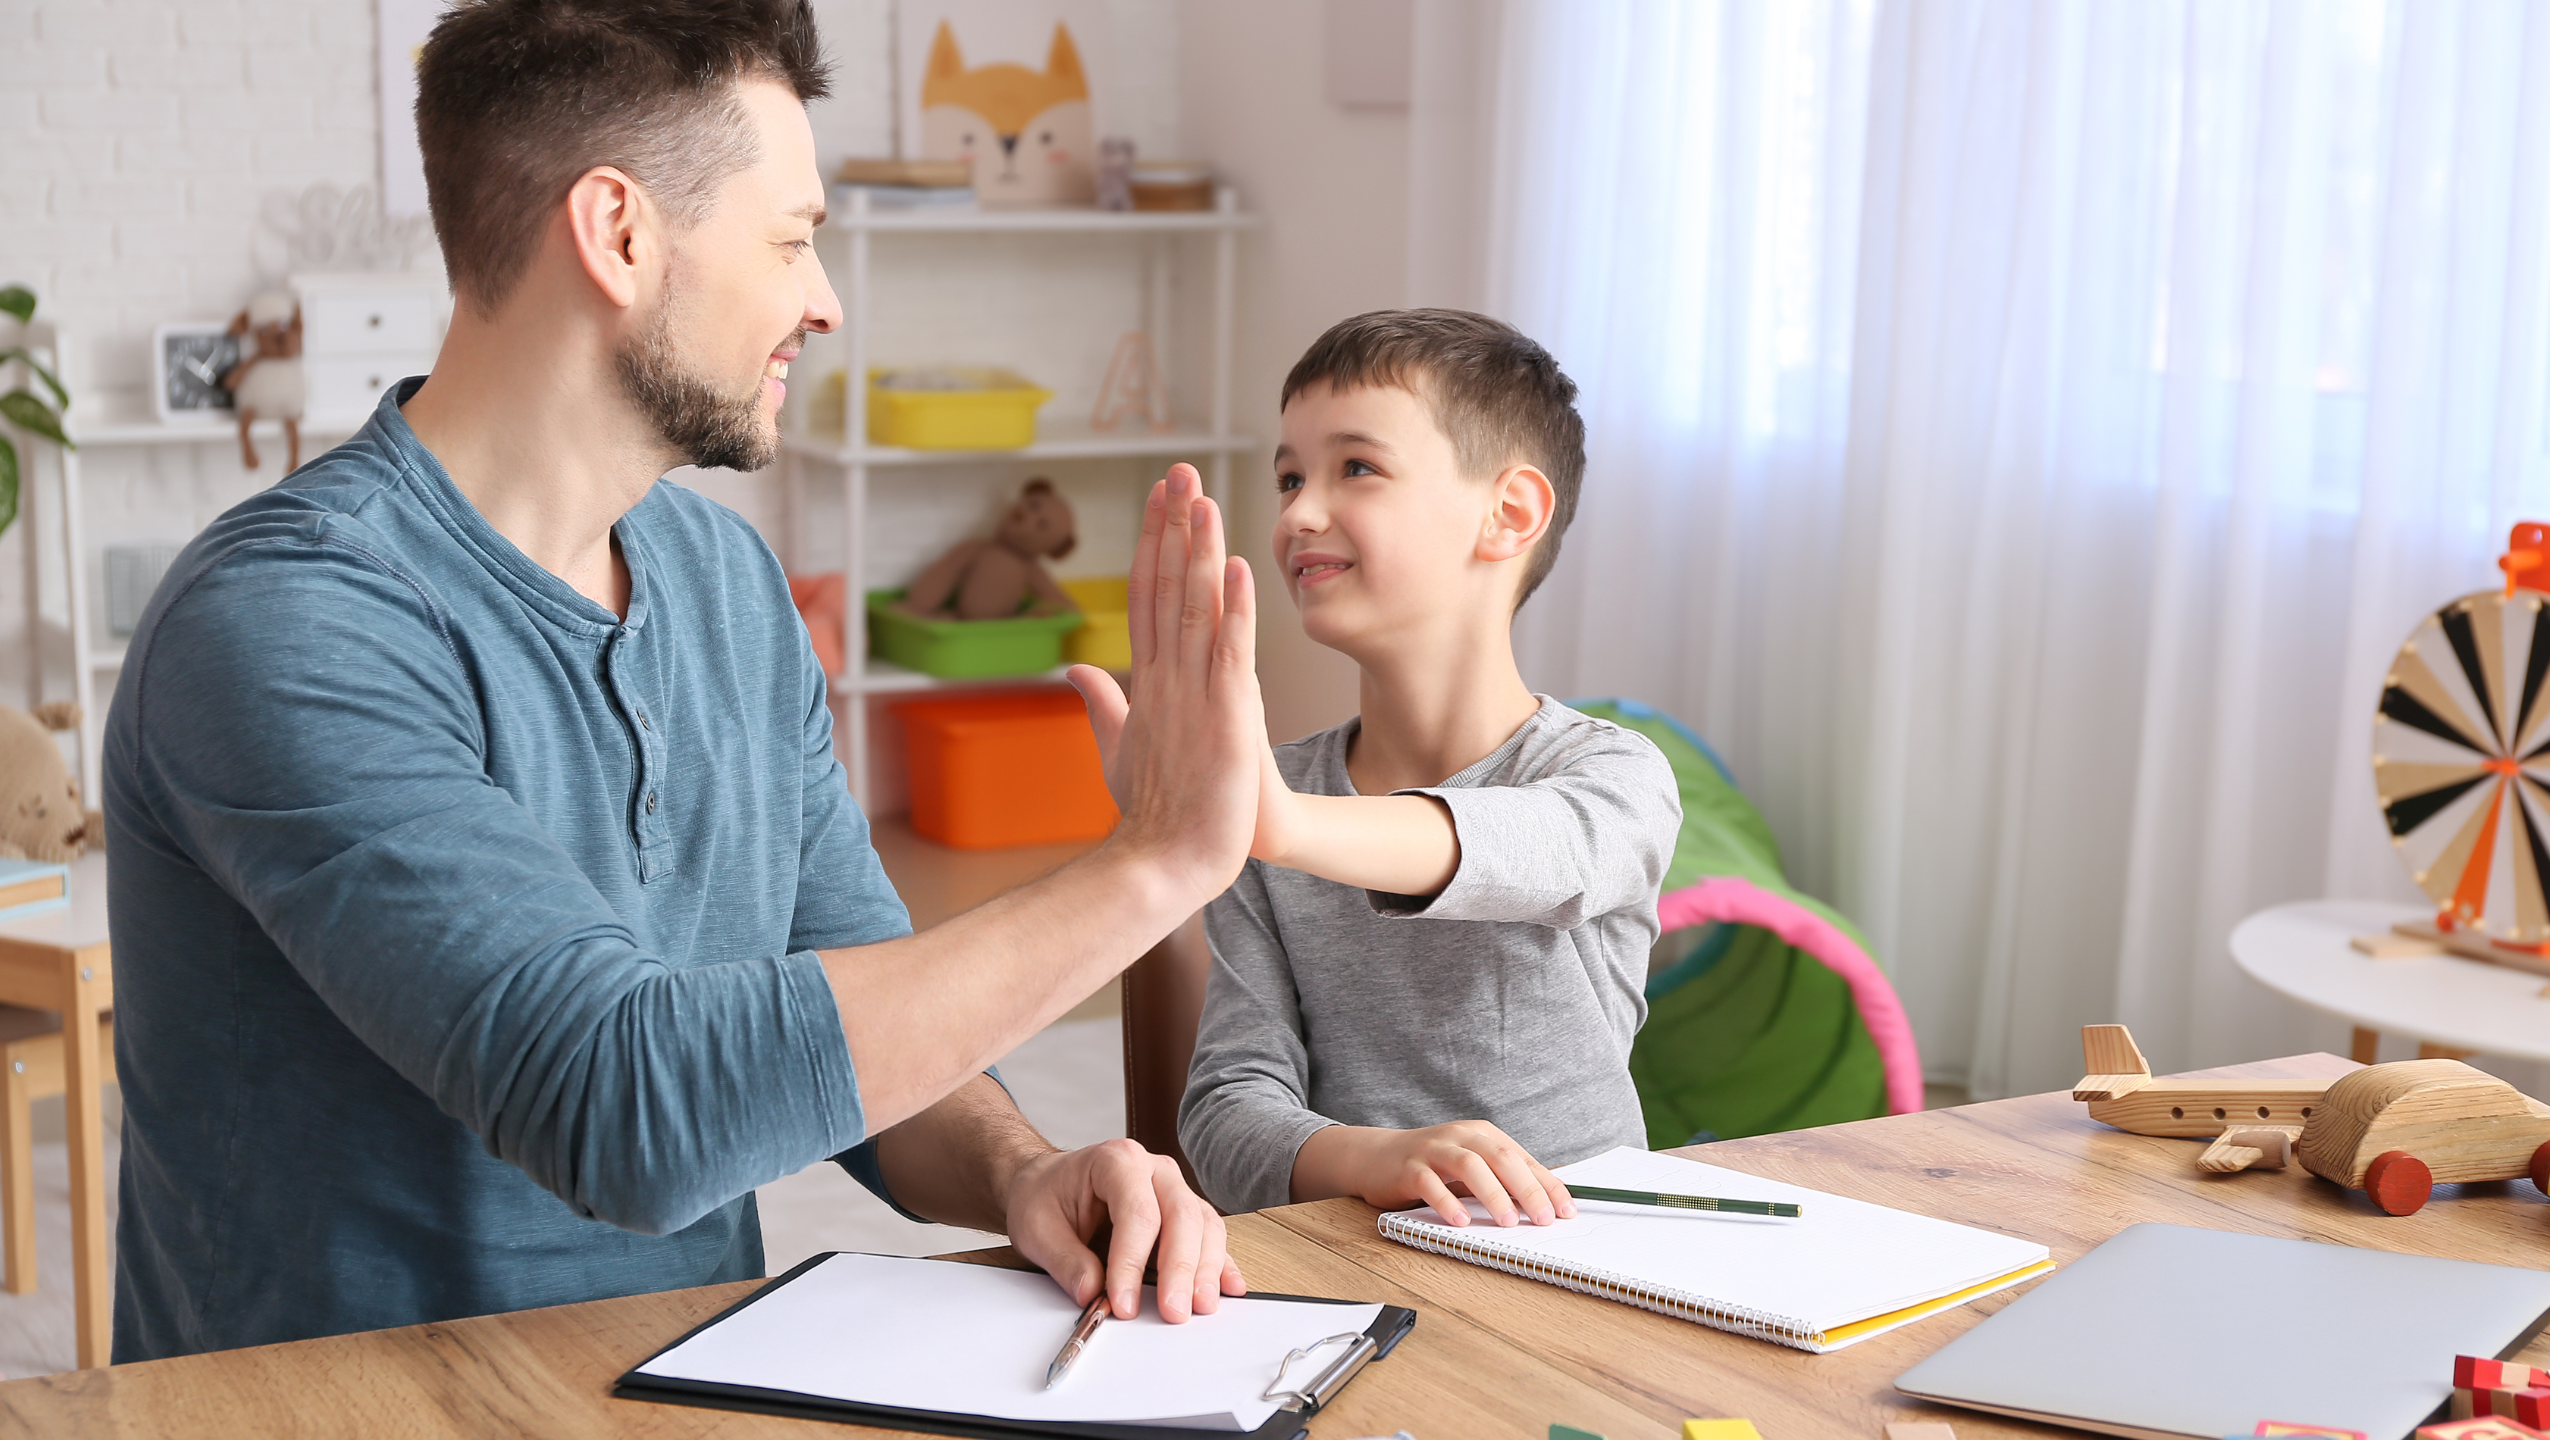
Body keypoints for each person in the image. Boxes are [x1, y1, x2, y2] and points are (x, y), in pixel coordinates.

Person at [102, 0, 1263, 1362]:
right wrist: (1154, 864)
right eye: (792, 239)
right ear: (620, 233)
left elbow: (865, 1011)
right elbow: (625, 1108)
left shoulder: (722, 579)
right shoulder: (287, 619)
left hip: (679, 1379)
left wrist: (1020, 1172)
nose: (823, 299)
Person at [1176, 310, 1681, 1222]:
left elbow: (1546, 856)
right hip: (1350, 1252)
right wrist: (1379, 1159)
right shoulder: (1271, 807)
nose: (1299, 512)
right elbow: (1224, 1120)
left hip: (1589, 1263)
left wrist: (1284, 826)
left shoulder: (1615, 776)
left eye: (1355, 468)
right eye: (1289, 477)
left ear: (1508, 514)